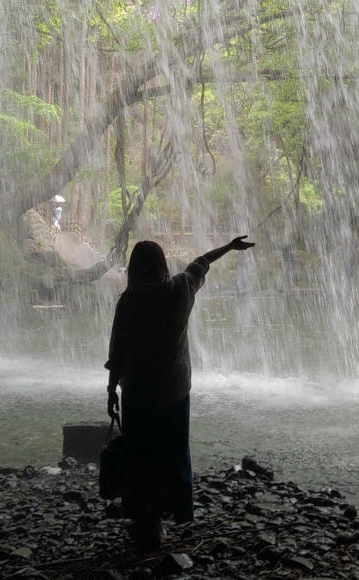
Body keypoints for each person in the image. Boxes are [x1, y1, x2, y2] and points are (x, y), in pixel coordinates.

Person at [105, 235, 255, 549]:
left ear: (133, 268)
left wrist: (111, 391)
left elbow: (117, 352)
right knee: (171, 453)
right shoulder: (180, 290)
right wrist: (228, 247)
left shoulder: (129, 300)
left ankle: (143, 518)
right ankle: (164, 516)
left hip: (136, 394)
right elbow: (201, 262)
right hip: (173, 392)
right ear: (162, 264)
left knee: (140, 454)